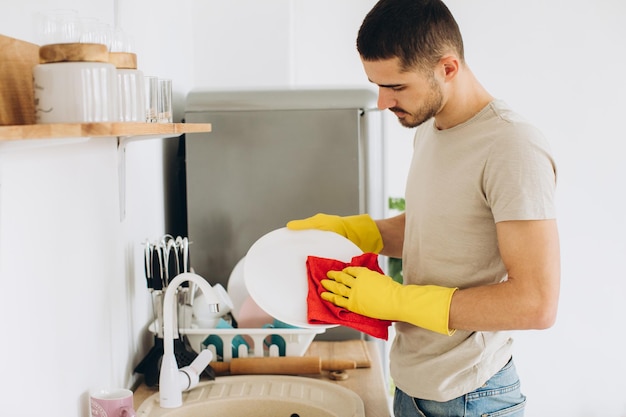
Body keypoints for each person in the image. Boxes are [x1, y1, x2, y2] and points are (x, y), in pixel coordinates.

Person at [287, 1, 560, 416]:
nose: (382, 102)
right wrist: (358, 232)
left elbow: (536, 302)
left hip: (470, 396)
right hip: (413, 387)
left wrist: (397, 301)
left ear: (447, 68)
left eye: (396, 87)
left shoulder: (511, 146)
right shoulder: (432, 130)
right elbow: (437, 228)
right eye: (376, 85)